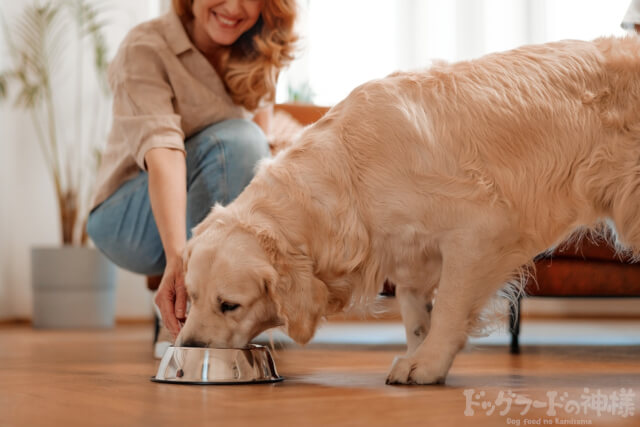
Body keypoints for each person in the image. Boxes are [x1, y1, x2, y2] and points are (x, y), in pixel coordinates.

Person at [87, 0, 297, 355]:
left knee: (251, 144)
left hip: (198, 205)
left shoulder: (257, 50)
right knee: (238, 140)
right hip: (128, 219)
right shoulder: (145, 47)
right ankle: (184, 326)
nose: (233, 7)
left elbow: (260, 165)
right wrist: (178, 258)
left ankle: (220, 320)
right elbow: (164, 153)